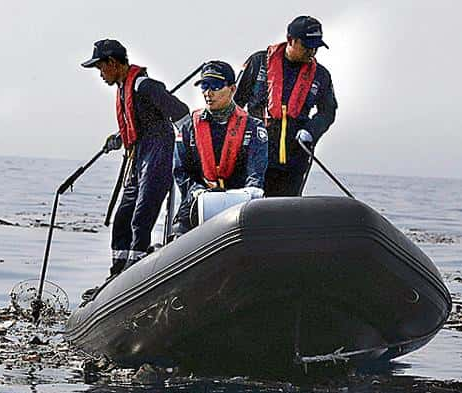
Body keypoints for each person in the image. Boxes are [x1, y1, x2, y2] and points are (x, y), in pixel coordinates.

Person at [82, 39, 189, 276]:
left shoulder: (144, 86)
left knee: (141, 218)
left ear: (113, 62)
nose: (100, 74)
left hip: (158, 158)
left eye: (101, 68)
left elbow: (181, 113)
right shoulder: (123, 88)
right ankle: (117, 273)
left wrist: (189, 153)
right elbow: (138, 123)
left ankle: (134, 274)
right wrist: (119, 138)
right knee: (122, 219)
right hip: (138, 159)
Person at [234, 15, 338, 197]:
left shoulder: (322, 76)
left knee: (286, 207)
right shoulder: (258, 63)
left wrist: (311, 131)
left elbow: (328, 112)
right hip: (256, 151)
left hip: (295, 156)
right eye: (307, 45)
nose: (312, 51)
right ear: (291, 40)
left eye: (316, 47)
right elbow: (234, 104)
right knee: (251, 202)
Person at [171, 61, 268, 237]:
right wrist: (196, 191)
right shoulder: (188, 128)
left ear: (232, 89)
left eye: (215, 86)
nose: (208, 93)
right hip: (198, 202)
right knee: (179, 231)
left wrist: (247, 195)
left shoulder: (254, 128)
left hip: (238, 206)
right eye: (204, 86)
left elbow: (256, 173)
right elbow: (181, 171)